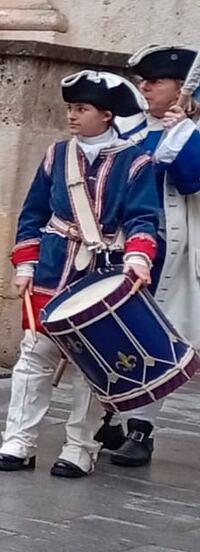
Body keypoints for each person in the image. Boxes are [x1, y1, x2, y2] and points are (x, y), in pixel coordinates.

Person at [0, 70, 160, 479]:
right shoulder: (57, 155)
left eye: (81, 108)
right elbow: (33, 213)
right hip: (53, 269)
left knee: (93, 366)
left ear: (106, 114)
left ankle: (80, 448)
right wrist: (26, 263)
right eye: (70, 108)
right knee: (34, 356)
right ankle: (18, 441)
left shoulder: (136, 161)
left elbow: (142, 218)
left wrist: (138, 259)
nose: (72, 116)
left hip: (105, 275)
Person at [109, 45, 200, 466]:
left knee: (159, 343)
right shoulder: (133, 131)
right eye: (143, 81)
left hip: (176, 258)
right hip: (127, 248)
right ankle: (110, 417)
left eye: (156, 81)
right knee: (113, 336)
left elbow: (191, 178)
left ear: (182, 89)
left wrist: (182, 133)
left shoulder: (190, 133)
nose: (145, 88)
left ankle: (140, 430)